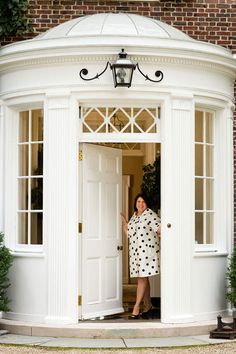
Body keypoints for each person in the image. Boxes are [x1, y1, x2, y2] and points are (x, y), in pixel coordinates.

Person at [121, 193, 161, 320]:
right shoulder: (134, 216)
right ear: (135, 203)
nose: (141, 204)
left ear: (146, 203)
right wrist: (124, 224)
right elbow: (130, 234)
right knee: (144, 279)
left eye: (143, 201)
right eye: (138, 201)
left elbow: (160, 229)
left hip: (146, 253)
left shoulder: (150, 214)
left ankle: (136, 308)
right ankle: (148, 306)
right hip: (136, 253)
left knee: (141, 279)